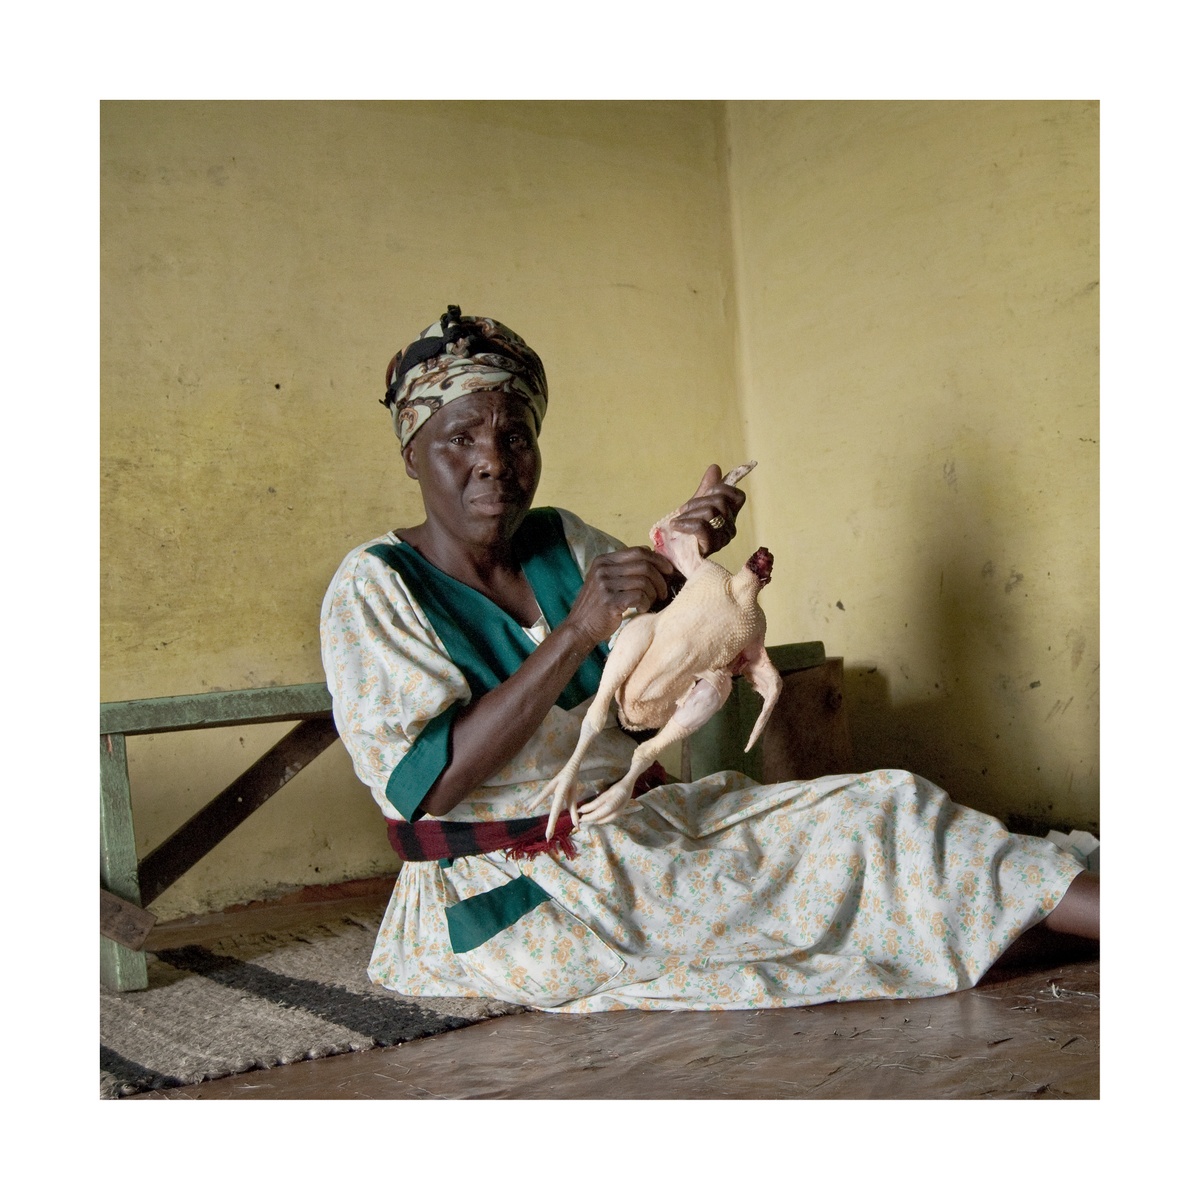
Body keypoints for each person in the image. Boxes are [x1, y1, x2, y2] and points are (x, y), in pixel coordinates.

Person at [320, 306, 1098, 1012]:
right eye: (460, 437)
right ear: (412, 455)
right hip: (516, 890)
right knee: (852, 885)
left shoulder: (562, 542)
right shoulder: (375, 587)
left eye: (514, 435)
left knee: (881, 810)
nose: (494, 460)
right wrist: (576, 634)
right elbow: (427, 785)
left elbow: (647, 690)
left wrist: (690, 567)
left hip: (642, 832)